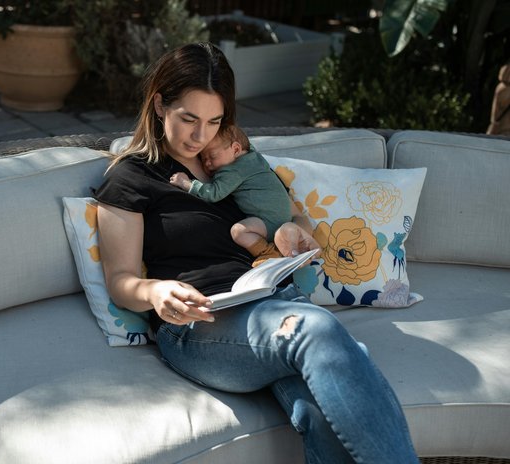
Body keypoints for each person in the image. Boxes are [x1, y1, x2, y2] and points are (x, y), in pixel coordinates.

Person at [94, 42, 419, 463]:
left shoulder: (235, 159)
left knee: (320, 410)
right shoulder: (130, 176)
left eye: (213, 121)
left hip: (271, 301)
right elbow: (120, 281)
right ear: (159, 105)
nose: (200, 136)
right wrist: (156, 293)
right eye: (188, 118)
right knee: (318, 333)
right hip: (200, 323)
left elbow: (295, 219)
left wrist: (292, 232)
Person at [169, 124, 292, 266]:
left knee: (239, 231)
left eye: (212, 156)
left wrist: (187, 184)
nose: (207, 163)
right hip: (283, 218)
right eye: (203, 158)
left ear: (236, 149)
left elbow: (214, 193)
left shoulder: (233, 171)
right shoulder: (255, 157)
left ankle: (268, 252)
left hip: (269, 222)